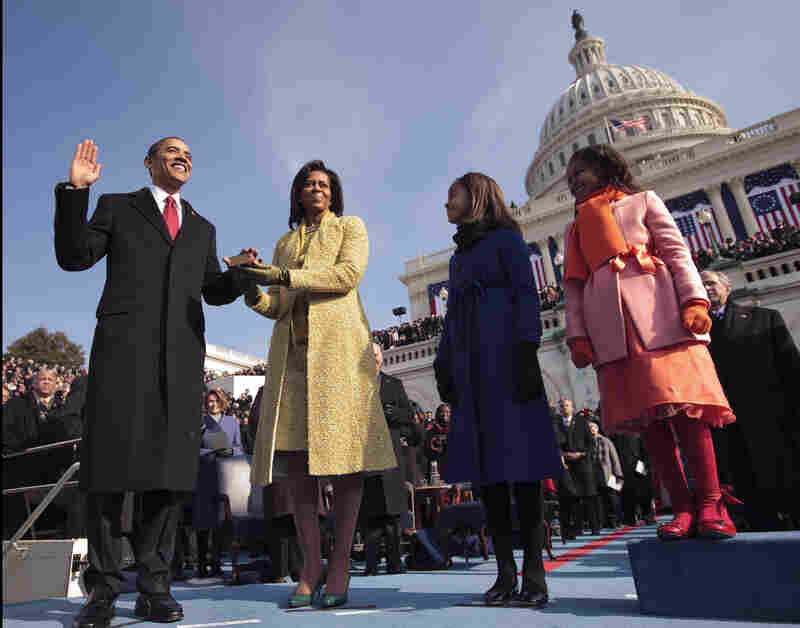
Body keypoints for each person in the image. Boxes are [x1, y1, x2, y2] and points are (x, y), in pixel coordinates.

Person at [54, 138, 243, 628]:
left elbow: (214, 291)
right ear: (149, 162)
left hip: (180, 362)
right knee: (108, 474)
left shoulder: (202, 227)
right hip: (123, 355)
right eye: (173, 150)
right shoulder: (118, 207)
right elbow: (74, 256)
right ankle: (103, 590)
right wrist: (76, 191)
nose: (184, 156)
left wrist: (239, 276)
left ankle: (155, 587)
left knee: (169, 477)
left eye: (190, 153)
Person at [234, 159, 396, 609]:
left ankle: (340, 564)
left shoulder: (350, 228)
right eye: (309, 183)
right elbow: (276, 306)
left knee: (345, 463)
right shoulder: (285, 243)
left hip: (340, 357)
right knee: (297, 466)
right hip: (294, 360)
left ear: (334, 193)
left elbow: (346, 278)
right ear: (298, 194)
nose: (317, 188)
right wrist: (250, 286)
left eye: (324, 183)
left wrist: (281, 276)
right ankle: (311, 565)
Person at [563, 144, 737, 544]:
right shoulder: (574, 229)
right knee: (651, 425)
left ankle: (711, 503)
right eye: (570, 177)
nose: (574, 181)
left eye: (581, 173)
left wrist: (694, 300)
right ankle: (682, 507)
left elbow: (676, 251)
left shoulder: (643, 201)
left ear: (605, 168)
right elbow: (573, 288)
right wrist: (578, 335)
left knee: (687, 415)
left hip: (660, 319)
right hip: (613, 335)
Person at [434, 172, 562, 607]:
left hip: (506, 362)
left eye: (453, 194)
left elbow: (527, 295)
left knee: (523, 470)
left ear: (476, 195)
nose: (446, 203)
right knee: (487, 473)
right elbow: (452, 318)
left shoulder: (507, 241)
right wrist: (443, 364)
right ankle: (504, 570)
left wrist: (527, 350)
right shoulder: (458, 258)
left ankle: (534, 572)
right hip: (471, 370)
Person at [701, 270, 800, 530]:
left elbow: (791, 368)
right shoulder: (695, 333)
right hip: (728, 424)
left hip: (771, 417)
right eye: (701, 285)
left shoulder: (765, 318)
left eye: (711, 283)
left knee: (785, 479)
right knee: (748, 490)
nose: (706, 288)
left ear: (727, 288)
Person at [360, 343, 417, 576]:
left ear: (382, 357)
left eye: (376, 354)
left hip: (392, 455)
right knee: (371, 515)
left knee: (393, 515)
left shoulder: (395, 384)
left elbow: (410, 416)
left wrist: (396, 415)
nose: (374, 358)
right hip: (367, 455)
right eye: (369, 355)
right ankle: (371, 564)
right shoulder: (357, 385)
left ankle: (395, 563)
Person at [553, 399, 600, 538]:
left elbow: (591, 443)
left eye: (567, 405)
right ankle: (575, 529)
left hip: (583, 464)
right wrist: (562, 454)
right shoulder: (555, 423)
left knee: (589, 496)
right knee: (570, 497)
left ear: (572, 407)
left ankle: (594, 526)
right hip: (566, 465)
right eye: (561, 406)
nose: (564, 408)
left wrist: (582, 453)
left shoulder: (581, 422)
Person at [588, 421, 623, 528]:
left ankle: (616, 521)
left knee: (612, 498)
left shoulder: (606, 441)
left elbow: (614, 458)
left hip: (609, 474)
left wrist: (618, 474)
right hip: (594, 475)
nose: (592, 429)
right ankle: (604, 522)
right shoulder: (586, 442)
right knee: (599, 500)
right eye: (589, 427)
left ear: (597, 429)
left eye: (593, 427)